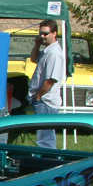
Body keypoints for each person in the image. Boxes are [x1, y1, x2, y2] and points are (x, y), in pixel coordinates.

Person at [28, 19, 66, 149]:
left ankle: (47, 158)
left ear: (54, 33)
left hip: (46, 101)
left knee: (45, 141)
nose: (42, 36)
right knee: (43, 138)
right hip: (42, 100)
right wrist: (37, 45)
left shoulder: (54, 53)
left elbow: (51, 80)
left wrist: (38, 96)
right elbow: (33, 58)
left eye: (45, 34)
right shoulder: (47, 51)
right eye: (41, 33)